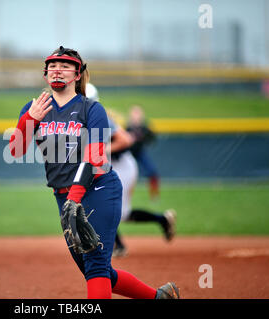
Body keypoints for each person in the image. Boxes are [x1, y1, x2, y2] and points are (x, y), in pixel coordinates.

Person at [9, 46, 179, 299]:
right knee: (99, 272)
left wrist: (76, 197)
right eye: (52, 66)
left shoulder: (92, 109)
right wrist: (28, 120)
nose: (58, 70)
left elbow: (95, 156)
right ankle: (160, 298)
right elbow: (15, 150)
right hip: (63, 197)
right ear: (45, 75)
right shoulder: (35, 108)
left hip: (99, 189)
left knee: (96, 265)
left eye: (65, 66)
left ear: (77, 74)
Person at [85, 83, 176, 258]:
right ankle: (161, 220)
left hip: (121, 166)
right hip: (108, 165)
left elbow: (126, 140)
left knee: (109, 208)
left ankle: (117, 246)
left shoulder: (98, 116)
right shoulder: (80, 118)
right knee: (110, 209)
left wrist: (101, 150)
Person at [126, 106, 160, 201]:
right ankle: (126, 194)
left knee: (152, 172)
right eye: (134, 115)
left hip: (140, 153)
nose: (136, 117)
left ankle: (154, 196)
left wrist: (144, 138)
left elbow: (152, 138)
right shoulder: (128, 128)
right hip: (129, 154)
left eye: (138, 115)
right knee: (129, 175)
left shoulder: (144, 129)